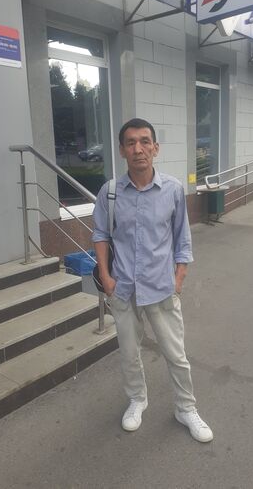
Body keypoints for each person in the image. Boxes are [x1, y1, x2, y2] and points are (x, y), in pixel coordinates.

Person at [92, 118, 213, 443]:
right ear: (122, 150)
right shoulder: (110, 192)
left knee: (176, 355)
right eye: (131, 143)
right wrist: (105, 276)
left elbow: (182, 238)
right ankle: (137, 400)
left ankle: (186, 408)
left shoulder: (172, 189)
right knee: (129, 352)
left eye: (145, 141)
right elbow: (101, 234)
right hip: (123, 289)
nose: (138, 149)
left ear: (155, 148)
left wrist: (179, 278)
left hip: (161, 288)